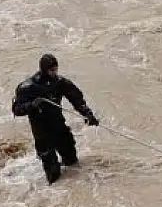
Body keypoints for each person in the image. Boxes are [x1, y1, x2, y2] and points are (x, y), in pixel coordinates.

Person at [11, 54, 100, 184]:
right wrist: (32, 105)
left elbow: (77, 99)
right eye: (51, 70)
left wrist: (88, 114)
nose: (54, 73)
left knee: (72, 161)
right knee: (53, 174)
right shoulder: (27, 87)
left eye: (56, 69)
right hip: (42, 132)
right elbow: (16, 110)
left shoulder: (60, 83)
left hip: (59, 126)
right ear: (43, 70)